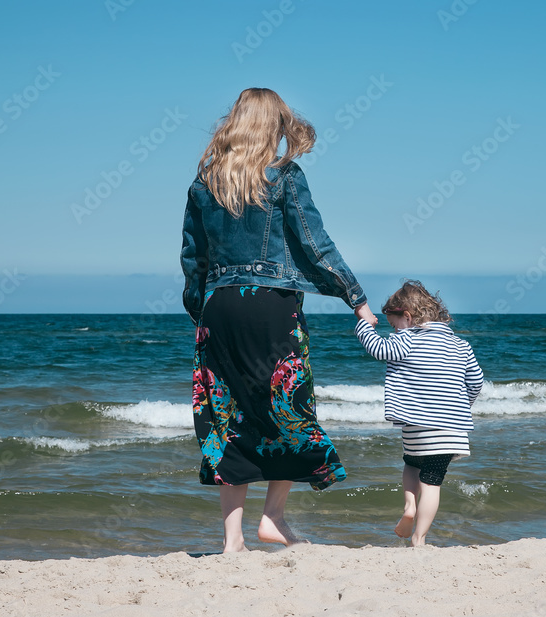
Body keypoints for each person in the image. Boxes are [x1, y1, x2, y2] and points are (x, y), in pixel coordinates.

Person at [181, 87, 378, 553]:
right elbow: (315, 244)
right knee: (288, 407)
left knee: (226, 415)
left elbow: (194, 261)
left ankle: (232, 542)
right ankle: (272, 519)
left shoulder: (204, 183)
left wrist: (201, 313)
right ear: (274, 127)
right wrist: (357, 299)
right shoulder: (285, 177)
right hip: (270, 305)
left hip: (219, 307)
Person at [355, 280, 483, 546]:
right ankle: (420, 538)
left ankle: (409, 507)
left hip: (418, 425)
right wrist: (462, 405)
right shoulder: (461, 346)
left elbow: (378, 349)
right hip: (452, 429)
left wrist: (364, 323)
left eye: (393, 324)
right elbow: (476, 382)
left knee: (411, 464)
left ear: (408, 317)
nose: (394, 330)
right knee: (433, 483)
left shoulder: (408, 338)